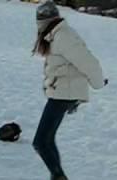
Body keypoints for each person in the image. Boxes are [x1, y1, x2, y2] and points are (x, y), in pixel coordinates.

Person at [32, 1, 107, 180]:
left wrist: (98, 84)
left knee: (41, 141)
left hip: (64, 93)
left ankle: (59, 177)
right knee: (46, 140)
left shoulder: (63, 36)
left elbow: (89, 62)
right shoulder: (55, 35)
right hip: (62, 92)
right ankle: (57, 176)